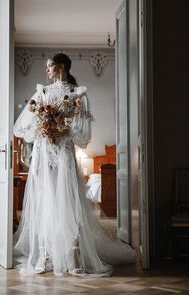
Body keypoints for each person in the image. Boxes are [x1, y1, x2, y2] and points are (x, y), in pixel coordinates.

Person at [13, 53, 135, 277]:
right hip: (43, 152)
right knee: (44, 200)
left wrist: (63, 130)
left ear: (60, 66)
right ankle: (42, 255)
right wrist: (42, 129)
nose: (47, 71)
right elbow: (22, 128)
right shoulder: (42, 92)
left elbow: (83, 135)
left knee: (69, 202)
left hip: (64, 154)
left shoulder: (77, 94)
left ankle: (74, 257)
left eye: (49, 66)